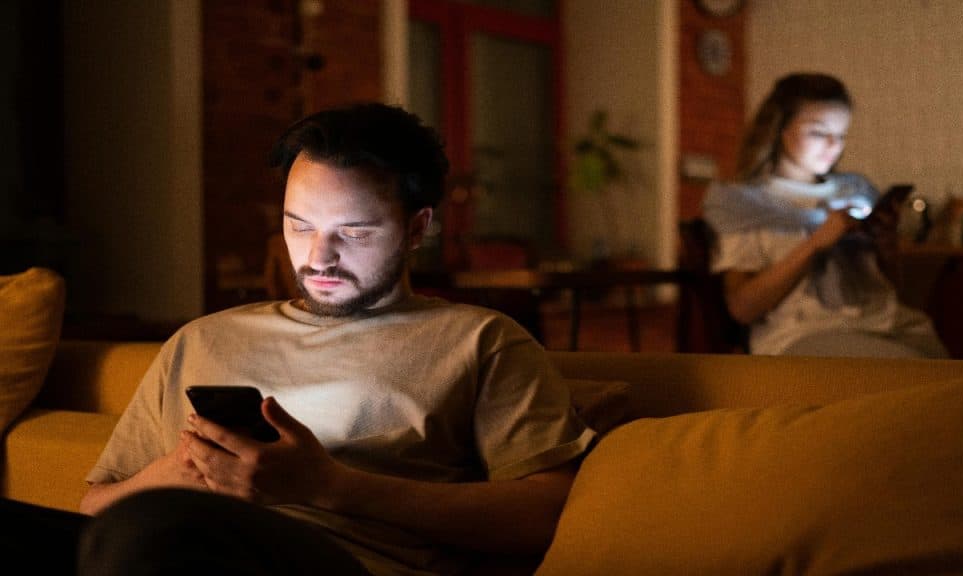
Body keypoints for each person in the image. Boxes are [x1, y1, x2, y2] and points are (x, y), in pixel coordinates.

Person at [3, 103, 596, 575]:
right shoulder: (200, 339)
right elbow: (94, 510)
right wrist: (183, 470)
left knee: (158, 528)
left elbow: (543, 514)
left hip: (333, 560)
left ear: (418, 228)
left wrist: (331, 487)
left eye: (354, 232)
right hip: (164, 541)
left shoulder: (480, 341)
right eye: (299, 226)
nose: (319, 257)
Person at [701, 73, 947, 358]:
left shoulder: (856, 190)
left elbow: (892, 287)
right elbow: (742, 308)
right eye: (818, 133)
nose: (833, 146)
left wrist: (885, 244)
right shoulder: (746, 203)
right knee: (909, 368)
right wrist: (817, 242)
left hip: (885, 323)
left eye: (841, 135)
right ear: (780, 129)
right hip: (805, 335)